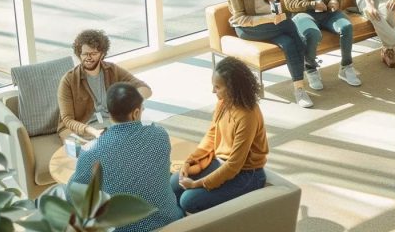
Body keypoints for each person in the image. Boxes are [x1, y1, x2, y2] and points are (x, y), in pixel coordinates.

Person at [70, 83, 184, 231]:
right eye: (142, 109)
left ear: (109, 113)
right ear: (135, 113)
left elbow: (72, 195)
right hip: (169, 223)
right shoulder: (160, 135)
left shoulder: (91, 151)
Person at [171, 56, 268, 213]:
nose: (213, 91)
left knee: (188, 200)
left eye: (217, 87)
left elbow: (234, 165)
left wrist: (198, 184)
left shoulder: (247, 116)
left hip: (247, 174)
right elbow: (212, 135)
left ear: (232, 88)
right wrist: (189, 161)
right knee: (175, 182)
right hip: (220, 161)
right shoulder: (224, 103)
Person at [224, 0, 313, 108]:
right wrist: (271, 18)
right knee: (287, 23)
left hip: (267, 24)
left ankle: (299, 90)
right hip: (248, 28)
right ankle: (309, 58)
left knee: (288, 43)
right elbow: (241, 18)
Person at [57, 29, 152, 142]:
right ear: (79, 54)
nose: (88, 58)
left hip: (111, 123)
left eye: (93, 54)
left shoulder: (112, 70)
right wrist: (92, 131)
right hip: (84, 128)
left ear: (102, 54)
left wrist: (129, 102)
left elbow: (145, 88)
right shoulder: (68, 80)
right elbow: (67, 120)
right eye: (84, 54)